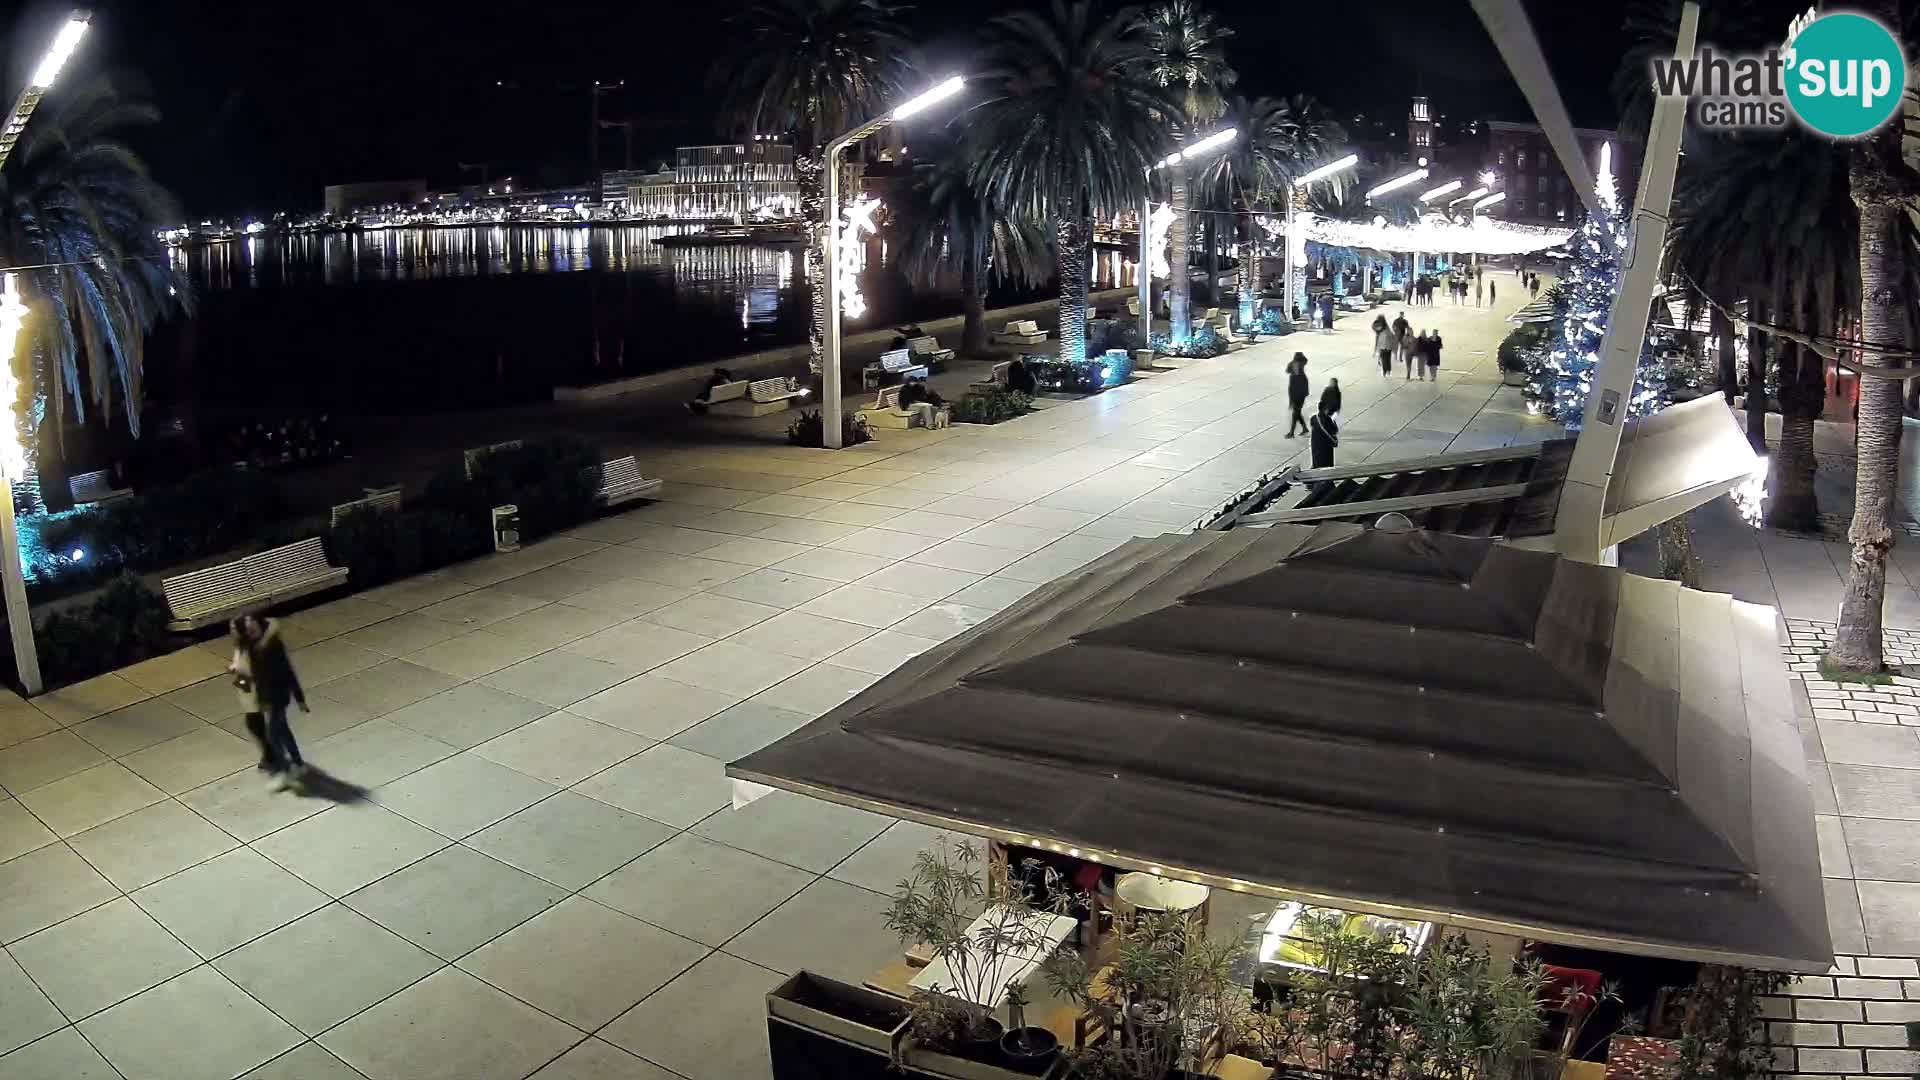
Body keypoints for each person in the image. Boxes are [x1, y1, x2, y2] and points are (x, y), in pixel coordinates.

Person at [234, 613, 309, 791]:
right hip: (265, 696)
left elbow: (288, 671)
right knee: (283, 730)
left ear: (259, 624)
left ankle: (284, 772)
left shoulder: (273, 645)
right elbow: (252, 675)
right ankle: (298, 764)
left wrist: (299, 698)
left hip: (278, 696)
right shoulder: (250, 647)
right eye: (247, 628)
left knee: (273, 735)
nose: (250, 629)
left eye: (252, 624)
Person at [1308, 399, 1339, 469]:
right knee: (1324, 466)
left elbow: (1335, 430)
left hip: (1318, 447)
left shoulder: (1315, 418)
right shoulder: (1321, 420)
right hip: (1322, 449)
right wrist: (1334, 441)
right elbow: (1327, 432)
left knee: (1320, 464)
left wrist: (1332, 420)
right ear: (1325, 409)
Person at [1286, 353, 1310, 438]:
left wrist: (1292, 400)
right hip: (1297, 395)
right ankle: (1304, 428)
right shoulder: (1298, 375)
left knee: (1295, 413)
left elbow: (1294, 389)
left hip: (1298, 396)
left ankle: (1292, 432)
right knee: (1297, 412)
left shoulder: (1298, 377)